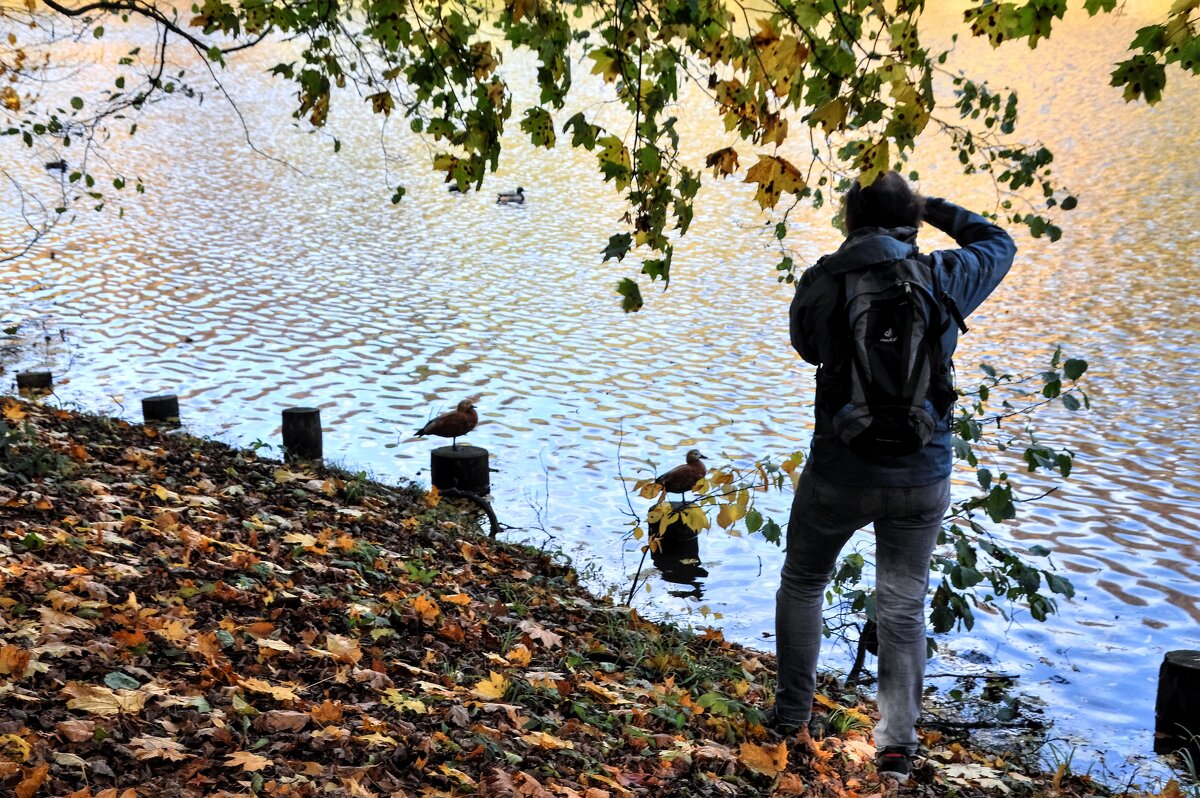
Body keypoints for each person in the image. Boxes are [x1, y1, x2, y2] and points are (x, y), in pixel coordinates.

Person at [775, 172, 1016, 783]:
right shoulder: (943, 275)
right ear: (912, 218)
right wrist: (933, 207)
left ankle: (789, 721)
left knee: (803, 581)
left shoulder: (824, 280)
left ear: (849, 221)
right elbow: (999, 242)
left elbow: (807, 348)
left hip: (839, 466)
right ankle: (896, 747)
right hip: (921, 470)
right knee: (904, 605)